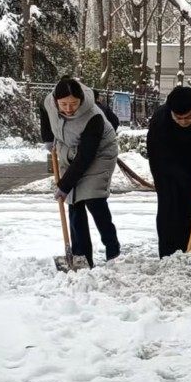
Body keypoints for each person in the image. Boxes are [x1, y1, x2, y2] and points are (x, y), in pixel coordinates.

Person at [40, 78, 121, 266]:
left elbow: (86, 156)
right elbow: (44, 110)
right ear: (56, 100)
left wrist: (64, 185)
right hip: (69, 149)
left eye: (74, 104)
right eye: (64, 104)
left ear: (81, 100)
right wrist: (48, 138)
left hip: (99, 153)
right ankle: (81, 256)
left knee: (93, 199)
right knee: (74, 203)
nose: (69, 109)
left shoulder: (93, 116)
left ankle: (112, 248)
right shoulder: (49, 102)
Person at [147, 86, 191, 257]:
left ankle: (184, 248)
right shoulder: (161, 122)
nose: (184, 122)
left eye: (189, 117)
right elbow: (169, 162)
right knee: (168, 203)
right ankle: (167, 254)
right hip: (163, 158)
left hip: (189, 149)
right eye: (178, 118)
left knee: (185, 205)